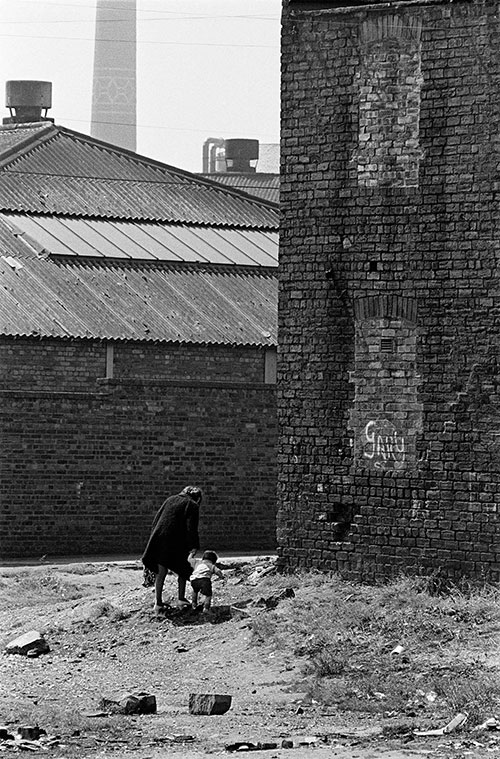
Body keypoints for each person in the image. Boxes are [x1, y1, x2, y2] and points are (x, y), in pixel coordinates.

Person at [142, 485, 202, 613]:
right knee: (183, 568)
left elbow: (157, 519)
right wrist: (194, 546)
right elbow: (192, 528)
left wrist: (153, 537)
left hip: (158, 538)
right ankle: (181, 599)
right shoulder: (192, 505)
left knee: (161, 571)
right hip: (176, 541)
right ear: (197, 498)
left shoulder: (170, 499)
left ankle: (158, 604)